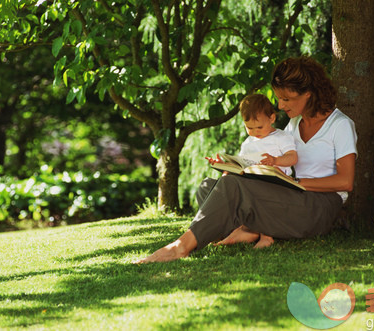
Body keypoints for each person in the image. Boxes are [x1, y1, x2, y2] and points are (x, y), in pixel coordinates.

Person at [134, 56, 357, 264]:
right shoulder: (293, 124)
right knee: (209, 188)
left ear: (308, 93)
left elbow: (345, 182)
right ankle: (250, 232)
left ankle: (181, 246)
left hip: (319, 206)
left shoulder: (340, 125)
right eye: (278, 98)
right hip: (292, 196)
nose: (280, 106)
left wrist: (298, 184)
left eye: (286, 99)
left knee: (230, 189)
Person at [205, 93, 298, 248]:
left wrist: (275, 161)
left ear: (272, 119)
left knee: (264, 196)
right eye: (249, 127)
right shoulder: (248, 143)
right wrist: (225, 165)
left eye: (259, 127)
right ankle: (243, 231)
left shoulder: (281, 137)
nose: (255, 131)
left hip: (278, 183)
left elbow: (292, 157)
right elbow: (241, 164)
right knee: (229, 182)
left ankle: (266, 236)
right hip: (253, 181)